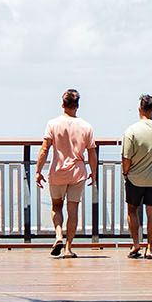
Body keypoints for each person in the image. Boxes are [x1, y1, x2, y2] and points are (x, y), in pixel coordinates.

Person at [38, 87, 97, 258]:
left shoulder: (53, 124)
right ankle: (68, 248)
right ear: (77, 105)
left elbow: (44, 149)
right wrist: (93, 172)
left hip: (57, 171)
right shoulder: (86, 126)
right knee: (73, 210)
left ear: (63, 104)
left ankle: (58, 235)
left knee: (57, 206)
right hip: (78, 172)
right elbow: (92, 152)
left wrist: (38, 170)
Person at [121, 94, 152, 259]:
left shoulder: (131, 131)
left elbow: (126, 158)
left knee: (132, 210)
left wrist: (125, 172)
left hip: (135, 178)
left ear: (139, 108)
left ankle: (136, 244)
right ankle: (149, 248)